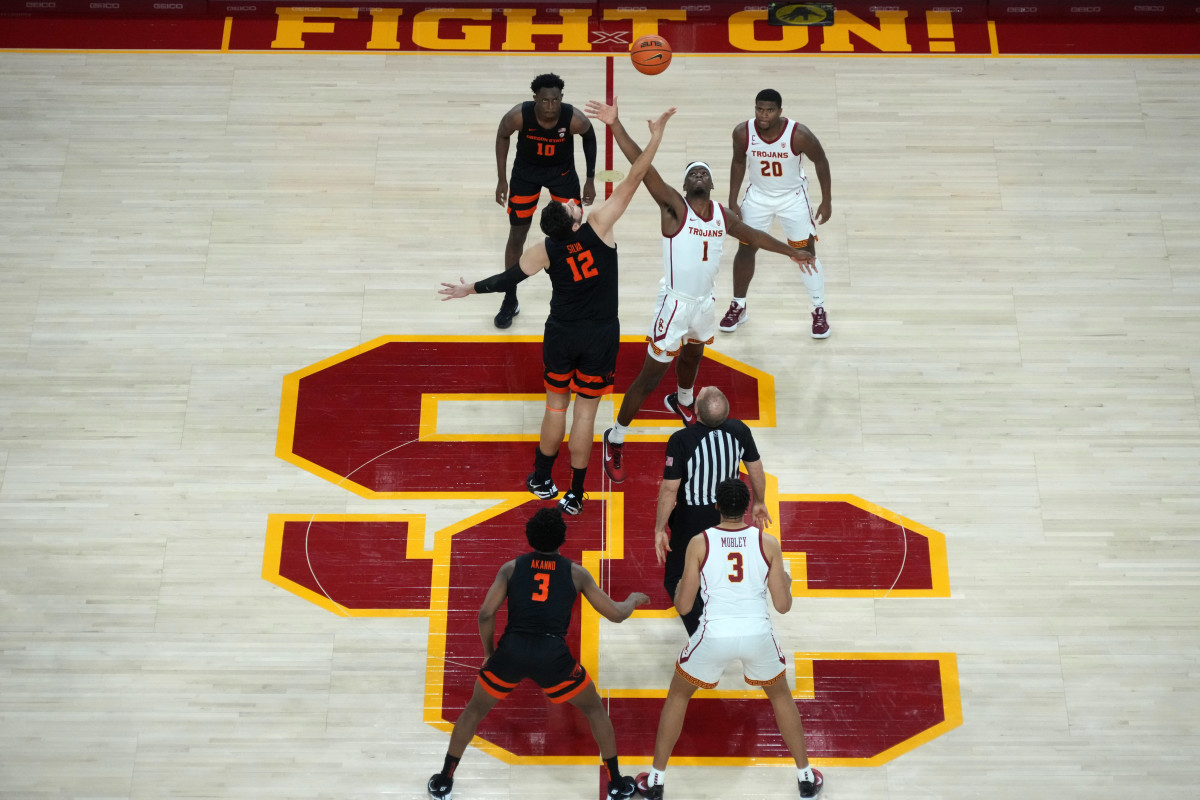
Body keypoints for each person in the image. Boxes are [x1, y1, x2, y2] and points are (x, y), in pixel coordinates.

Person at [440, 106, 676, 516]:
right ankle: (576, 493)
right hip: (600, 335)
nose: (573, 203)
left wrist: (469, 289)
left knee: (555, 407)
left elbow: (507, 278)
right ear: (574, 222)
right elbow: (636, 176)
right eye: (570, 207)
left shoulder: (545, 249)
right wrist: (655, 136)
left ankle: (540, 478)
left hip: (562, 333)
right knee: (584, 417)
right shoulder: (600, 224)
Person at [582, 98, 814, 485]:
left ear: (711, 184)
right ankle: (616, 436)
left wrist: (789, 250)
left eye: (705, 172)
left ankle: (684, 400)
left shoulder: (722, 214)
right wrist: (616, 125)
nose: (700, 175)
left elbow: (753, 235)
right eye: (694, 173)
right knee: (649, 378)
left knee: (693, 356)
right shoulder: (674, 207)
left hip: (705, 303)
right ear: (686, 185)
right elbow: (642, 167)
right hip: (675, 304)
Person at [426, 507, 651, 800]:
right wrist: (632, 599)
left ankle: (444, 781)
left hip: (512, 651)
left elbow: (485, 614)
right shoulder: (576, 573)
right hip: (552, 656)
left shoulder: (511, 568)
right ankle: (617, 784)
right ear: (562, 538)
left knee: (474, 711)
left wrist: (490, 653)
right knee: (594, 709)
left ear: (529, 537)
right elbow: (616, 614)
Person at [635, 478, 824, 800]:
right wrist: (787, 584)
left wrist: (680, 587)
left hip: (714, 634)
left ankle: (655, 780)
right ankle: (805, 777)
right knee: (781, 696)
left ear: (717, 507)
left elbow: (684, 606)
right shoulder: (768, 543)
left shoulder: (699, 543)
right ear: (747, 507)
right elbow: (783, 606)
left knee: (678, 696)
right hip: (757, 634)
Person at [646, 385, 771, 635]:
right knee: (718, 566)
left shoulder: (681, 440)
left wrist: (660, 529)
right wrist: (759, 501)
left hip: (692, 517)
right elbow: (755, 467)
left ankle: (702, 632)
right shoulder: (739, 430)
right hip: (728, 512)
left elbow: (670, 489)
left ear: (696, 410)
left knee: (676, 577)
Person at [721, 88, 833, 339]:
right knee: (746, 248)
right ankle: (739, 305)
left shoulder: (799, 135)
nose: (763, 114)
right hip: (758, 196)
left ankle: (819, 309)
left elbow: (821, 160)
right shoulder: (742, 132)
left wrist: (826, 200)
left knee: (805, 251)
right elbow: (738, 162)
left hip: (792, 198)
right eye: (759, 109)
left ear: (780, 111)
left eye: (769, 110)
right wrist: (732, 199)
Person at [492, 73, 599, 329]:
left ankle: (577, 296)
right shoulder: (518, 116)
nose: (550, 106)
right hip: (525, 174)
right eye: (544, 101)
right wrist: (502, 179)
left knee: (573, 234)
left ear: (561, 98)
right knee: (517, 235)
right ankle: (510, 299)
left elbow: (589, 137)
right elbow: (503, 135)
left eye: (555, 100)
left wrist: (590, 179)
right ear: (535, 99)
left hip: (562, 174)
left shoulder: (574, 119)